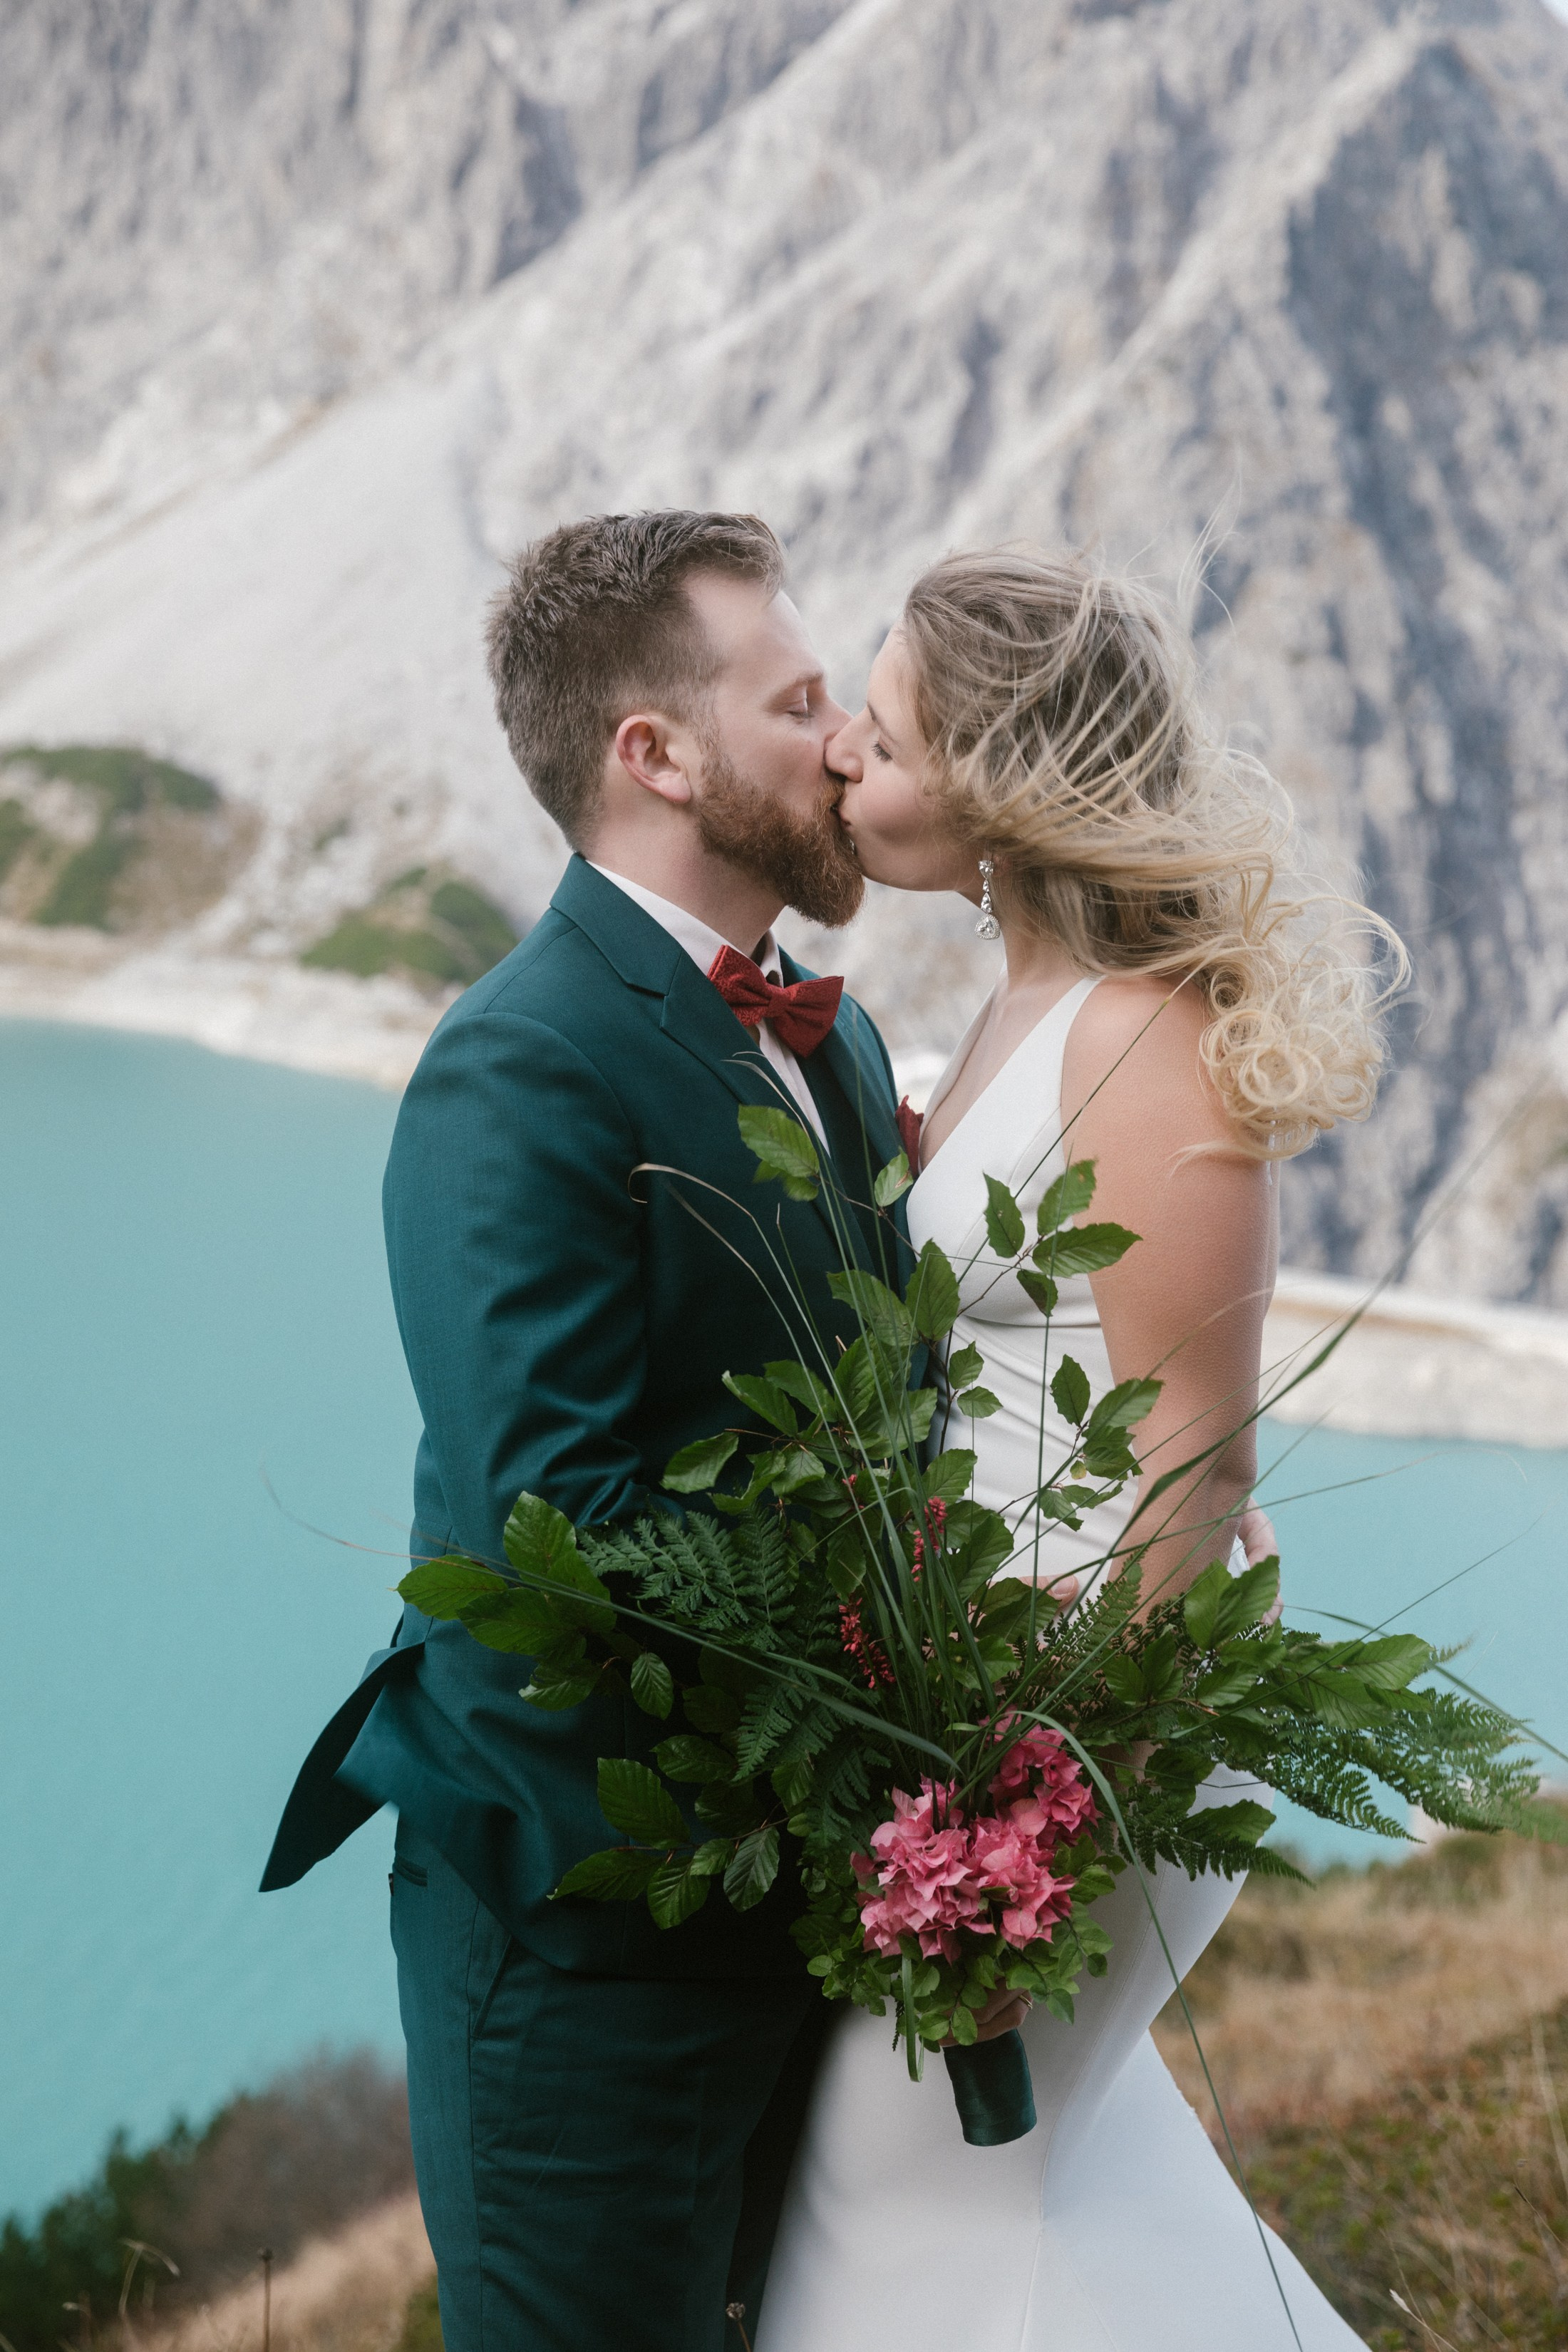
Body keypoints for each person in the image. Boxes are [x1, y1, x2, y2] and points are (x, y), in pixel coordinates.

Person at [260, 510, 907, 2352]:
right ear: (657, 752)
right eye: (799, 701)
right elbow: (564, 1528)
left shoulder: (841, 1049)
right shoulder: (520, 1061)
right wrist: (879, 1694)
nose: (848, 739)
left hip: (803, 1907)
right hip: (582, 1929)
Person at [755, 549, 1401, 2352]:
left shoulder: (1145, 1040)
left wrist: (1030, 1785)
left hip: (1097, 1718)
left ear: (998, 775)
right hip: (991, 1695)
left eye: (875, 740)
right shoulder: (1023, 1004)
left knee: (921, 2183)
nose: (837, 770)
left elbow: (1194, 1468)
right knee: (1015, 2173)